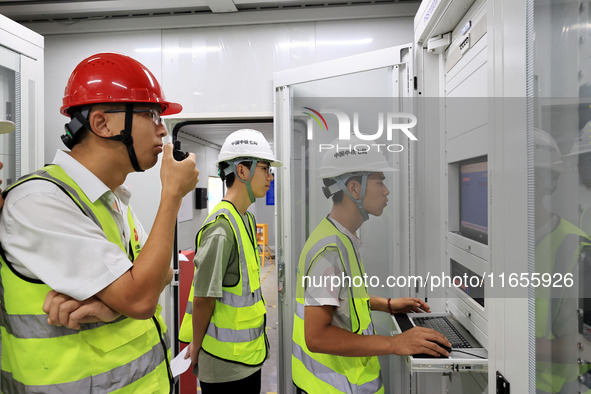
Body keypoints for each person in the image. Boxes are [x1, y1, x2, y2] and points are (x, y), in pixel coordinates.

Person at [0, 52, 199, 393]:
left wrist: (111, 306)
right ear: (103, 124)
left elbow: (160, 274)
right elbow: (141, 298)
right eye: (150, 114)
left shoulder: (110, 198)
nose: (162, 129)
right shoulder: (41, 201)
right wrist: (172, 195)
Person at [292, 142, 450, 394]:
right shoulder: (330, 252)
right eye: (380, 182)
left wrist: (385, 305)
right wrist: (394, 343)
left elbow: (340, 300)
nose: (387, 191)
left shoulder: (340, 237)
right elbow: (316, 337)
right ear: (354, 188)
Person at [178, 128, 280, 393]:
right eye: (265, 168)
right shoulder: (221, 228)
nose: (270, 176)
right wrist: (196, 346)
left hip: (248, 357)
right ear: (242, 172)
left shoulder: (246, 218)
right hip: (224, 365)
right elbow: (203, 297)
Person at [533, 128, 591, 393]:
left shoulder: (575, 247)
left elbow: (583, 345)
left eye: (534, 177)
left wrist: (503, 343)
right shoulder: (498, 241)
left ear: (549, 181)